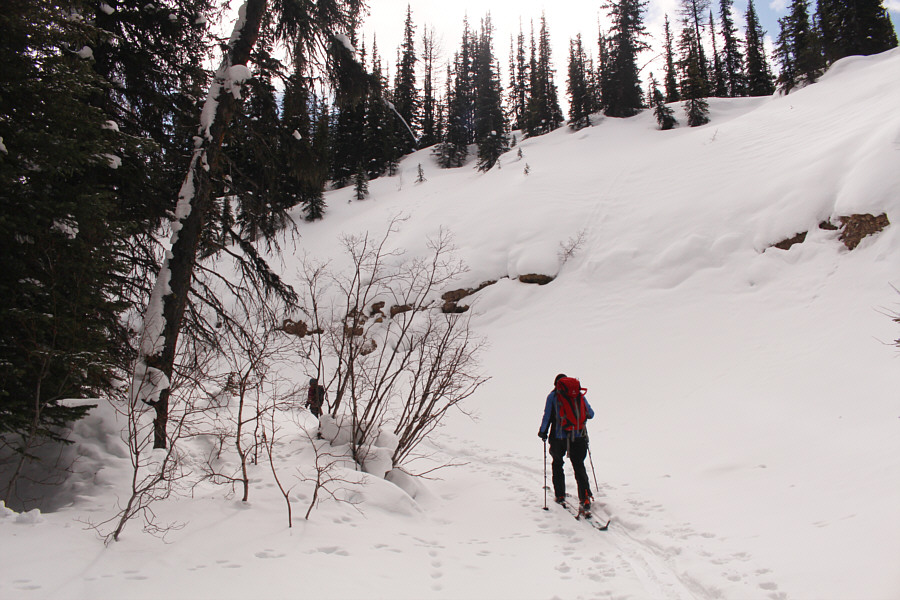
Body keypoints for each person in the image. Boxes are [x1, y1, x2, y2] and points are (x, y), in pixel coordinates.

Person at [538, 373, 595, 511]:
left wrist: (543, 432)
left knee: (558, 463)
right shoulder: (579, 395)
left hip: (559, 438)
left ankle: (560, 495)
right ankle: (585, 497)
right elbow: (591, 414)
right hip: (578, 437)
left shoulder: (553, 396)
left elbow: (547, 416)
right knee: (579, 466)